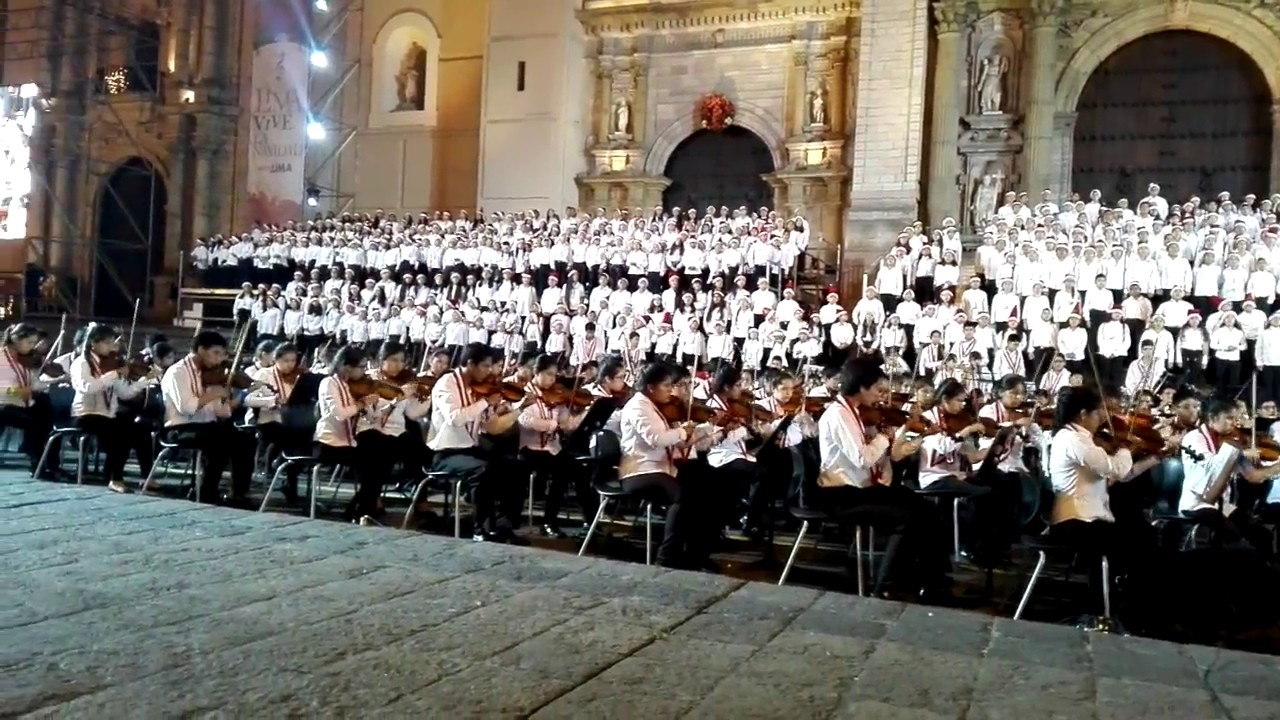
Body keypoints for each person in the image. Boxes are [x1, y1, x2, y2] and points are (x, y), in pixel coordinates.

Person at [815, 359, 951, 597]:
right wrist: (885, 437)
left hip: (863, 488)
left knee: (927, 510)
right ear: (861, 387)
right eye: (878, 390)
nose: (881, 396)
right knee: (905, 519)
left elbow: (886, 455)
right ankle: (886, 586)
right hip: (841, 494)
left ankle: (932, 579)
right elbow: (863, 458)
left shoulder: (858, 412)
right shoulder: (838, 415)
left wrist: (901, 433)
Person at [1045, 386, 1162, 618]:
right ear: (1083, 414)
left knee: (1144, 535)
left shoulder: (1080, 439)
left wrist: (1154, 458)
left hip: (1088, 516)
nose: (1103, 418)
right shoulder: (1074, 439)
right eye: (1099, 412)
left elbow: (1121, 475)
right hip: (1077, 520)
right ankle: (1116, 609)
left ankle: (1118, 604)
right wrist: (1125, 449)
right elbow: (1115, 469)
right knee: (1140, 542)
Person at [428, 342, 527, 544]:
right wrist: (485, 402)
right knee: (483, 470)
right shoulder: (447, 383)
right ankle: (482, 529)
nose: (489, 371)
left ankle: (504, 525)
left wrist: (517, 410)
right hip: (445, 453)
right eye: (485, 366)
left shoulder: (479, 388)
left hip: (470, 449)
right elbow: (455, 418)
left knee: (516, 467)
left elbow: (491, 428)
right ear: (470, 364)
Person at [617, 361, 710, 570]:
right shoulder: (638, 406)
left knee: (704, 486)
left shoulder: (655, 406)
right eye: (666, 385)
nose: (670, 390)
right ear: (651, 387)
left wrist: (699, 431)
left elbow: (677, 442)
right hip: (640, 469)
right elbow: (656, 439)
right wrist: (682, 432)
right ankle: (667, 556)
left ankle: (695, 553)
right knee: (683, 496)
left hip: (661, 466)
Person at [158, 330, 256, 505]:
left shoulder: (210, 374)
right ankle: (206, 491)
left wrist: (229, 398)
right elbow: (186, 408)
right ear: (201, 349)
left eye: (222, 354)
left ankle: (238, 493)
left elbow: (222, 413)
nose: (219, 359)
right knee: (217, 440)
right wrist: (214, 394)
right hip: (180, 427)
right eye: (215, 353)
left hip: (207, 425)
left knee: (246, 440)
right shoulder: (177, 372)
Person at [1178, 396, 1280, 559]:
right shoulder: (1193, 438)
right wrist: (1238, 452)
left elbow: (1254, 476)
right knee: (1234, 539)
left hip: (1223, 504)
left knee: (1262, 535)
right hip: (1197, 502)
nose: (1235, 424)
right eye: (1229, 418)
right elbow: (1212, 472)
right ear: (1212, 418)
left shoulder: (1233, 442)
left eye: (1236, 419)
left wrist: (1276, 467)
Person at [69, 323, 156, 493]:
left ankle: (147, 476)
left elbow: (124, 393)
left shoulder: (111, 364)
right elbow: (88, 387)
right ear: (93, 343)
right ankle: (115, 478)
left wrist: (144, 382)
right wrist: (113, 375)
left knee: (141, 430)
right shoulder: (82, 363)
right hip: (86, 414)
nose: (112, 347)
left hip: (107, 415)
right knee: (120, 431)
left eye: (112, 343)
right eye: (107, 343)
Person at [358, 342, 431, 513]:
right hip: (371, 431)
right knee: (382, 453)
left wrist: (427, 397)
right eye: (393, 360)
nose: (398, 365)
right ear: (382, 359)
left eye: (401, 361)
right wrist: (398, 397)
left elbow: (412, 414)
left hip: (397, 431)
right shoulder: (370, 379)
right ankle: (372, 498)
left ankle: (421, 500)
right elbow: (372, 413)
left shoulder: (405, 382)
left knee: (420, 453)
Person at [518, 353, 585, 538]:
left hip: (552, 449)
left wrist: (581, 414)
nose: (552, 379)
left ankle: (588, 519)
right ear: (536, 372)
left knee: (578, 470)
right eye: (548, 374)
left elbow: (566, 423)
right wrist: (553, 425)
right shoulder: (524, 393)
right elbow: (525, 420)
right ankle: (549, 521)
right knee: (561, 471)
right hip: (530, 449)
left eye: (554, 375)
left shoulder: (556, 396)